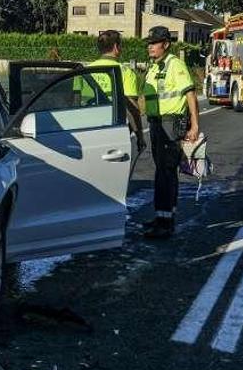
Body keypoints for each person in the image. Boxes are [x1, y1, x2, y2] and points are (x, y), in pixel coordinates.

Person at [141, 26, 200, 239]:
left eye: (154, 43)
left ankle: (166, 224)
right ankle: (161, 217)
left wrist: (194, 126)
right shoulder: (155, 66)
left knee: (166, 173)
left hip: (170, 123)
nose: (150, 46)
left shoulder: (175, 64)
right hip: (157, 123)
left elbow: (190, 95)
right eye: (149, 43)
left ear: (166, 44)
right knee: (161, 172)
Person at [82, 30, 146, 152]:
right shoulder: (126, 72)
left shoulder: (84, 71)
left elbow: (76, 101)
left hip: (87, 130)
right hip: (116, 131)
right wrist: (140, 137)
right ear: (116, 47)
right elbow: (132, 109)